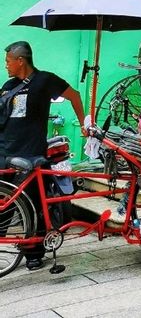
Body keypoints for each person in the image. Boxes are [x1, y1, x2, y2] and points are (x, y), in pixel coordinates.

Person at [0, 41, 85, 270]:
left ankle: (34, 254)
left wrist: (85, 124)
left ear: (20, 60)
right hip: (5, 153)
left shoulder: (45, 81)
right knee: (4, 203)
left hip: (31, 154)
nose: (6, 65)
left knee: (34, 204)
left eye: (8, 60)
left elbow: (75, 96)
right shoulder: (8, 86)